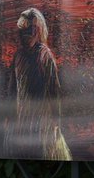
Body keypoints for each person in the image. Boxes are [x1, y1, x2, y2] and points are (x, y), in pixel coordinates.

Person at [6, 8, 72, 160]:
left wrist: (56, 120)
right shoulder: (19, 56)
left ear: (38, 30)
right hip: (22, 118)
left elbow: (53, 89)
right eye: (23, 30)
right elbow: (12, 88)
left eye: (31, 29)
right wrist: (10, 115)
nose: (26, 34)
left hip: (43, 120)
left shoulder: (44, 55)